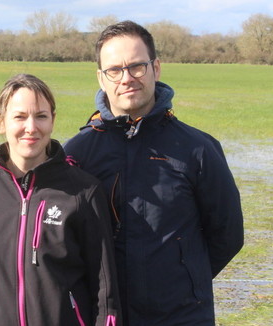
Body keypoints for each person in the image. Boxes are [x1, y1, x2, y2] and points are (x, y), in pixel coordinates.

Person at [63, 21, 244, 326]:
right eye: (115, 70)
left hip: (183, 316)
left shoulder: (198, 149)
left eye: (137, 66)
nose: (127, 78)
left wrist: (185, 278)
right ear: (101, 78)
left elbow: (227, 235)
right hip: (107, 316)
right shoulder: (79, 152)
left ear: (156, 68)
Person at [0, 74, 121, 326]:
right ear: (1, 121)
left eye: (41, 116)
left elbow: (105, 288)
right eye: (20, 116)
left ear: (53, 120)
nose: (31, 127)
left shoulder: (83, 191)